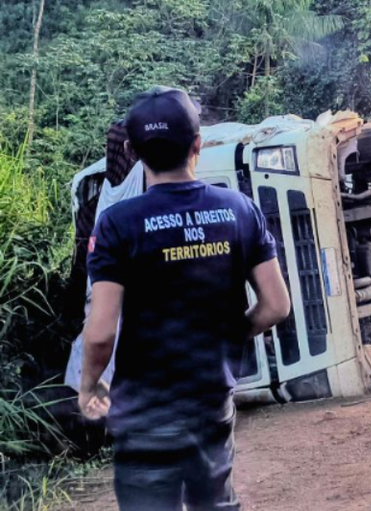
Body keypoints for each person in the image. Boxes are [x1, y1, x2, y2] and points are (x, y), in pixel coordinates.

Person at [78, 86, 291, 511]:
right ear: (198, 144)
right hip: (211, 403)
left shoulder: (117, 223)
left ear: (132, 152)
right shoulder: (239, 210)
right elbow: (276, 305)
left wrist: (89, 386)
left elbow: (100, 333)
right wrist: (229, 332)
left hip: (144, 415)